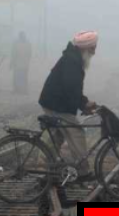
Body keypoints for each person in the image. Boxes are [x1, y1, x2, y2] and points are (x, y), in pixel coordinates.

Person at [38, 31, 99, 180]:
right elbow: (71, 88)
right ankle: (83, 171)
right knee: (76, 132)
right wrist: (84, 103)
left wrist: (83, 103)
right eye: (92, 48)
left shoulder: (73, 59)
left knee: (57, 135)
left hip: (53, 101)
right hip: (57, 103)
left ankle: (43, 168)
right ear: (85, 48)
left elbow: (73, 89)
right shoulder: (72, 61)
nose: (94, 52)